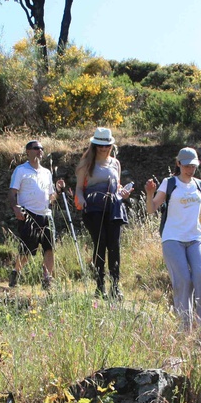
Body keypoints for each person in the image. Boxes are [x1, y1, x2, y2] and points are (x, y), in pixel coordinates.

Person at [145, 147, 201, 333]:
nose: (190, 169)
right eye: (186, 165)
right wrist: (149, 193)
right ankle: (184, 325)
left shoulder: (200, 185)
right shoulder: (169, 183)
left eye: (193, 166)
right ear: (178, 163)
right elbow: (151, 208)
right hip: (172, 238)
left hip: (195, 237)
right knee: (183, 280)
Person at [75, 127, 132, 299]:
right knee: (100, 244)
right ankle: (100, 286)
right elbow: (78, 189)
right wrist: (82, 200)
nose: (103, 148)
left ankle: (115, 286)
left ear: (111, 146)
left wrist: (124, 193)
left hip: (114, 208)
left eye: (106, 145)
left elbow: (118, 186)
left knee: (114, 246)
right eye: (100, 145)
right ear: (94, 145)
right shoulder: (85, 164)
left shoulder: (116, 163)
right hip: (93, 209)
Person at [8, 140, 65, 290]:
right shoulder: (20, 170)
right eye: (36, 148)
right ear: (28, 151)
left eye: (41, 148)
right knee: (27, 249)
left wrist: (58, 190)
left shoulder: (47, 172)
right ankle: (16, 272)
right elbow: (12, 192)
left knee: (49, 247)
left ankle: (47, 279)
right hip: (28, 213)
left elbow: (51, 198)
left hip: (46, 214)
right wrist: (16, 209)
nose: (39, 151)